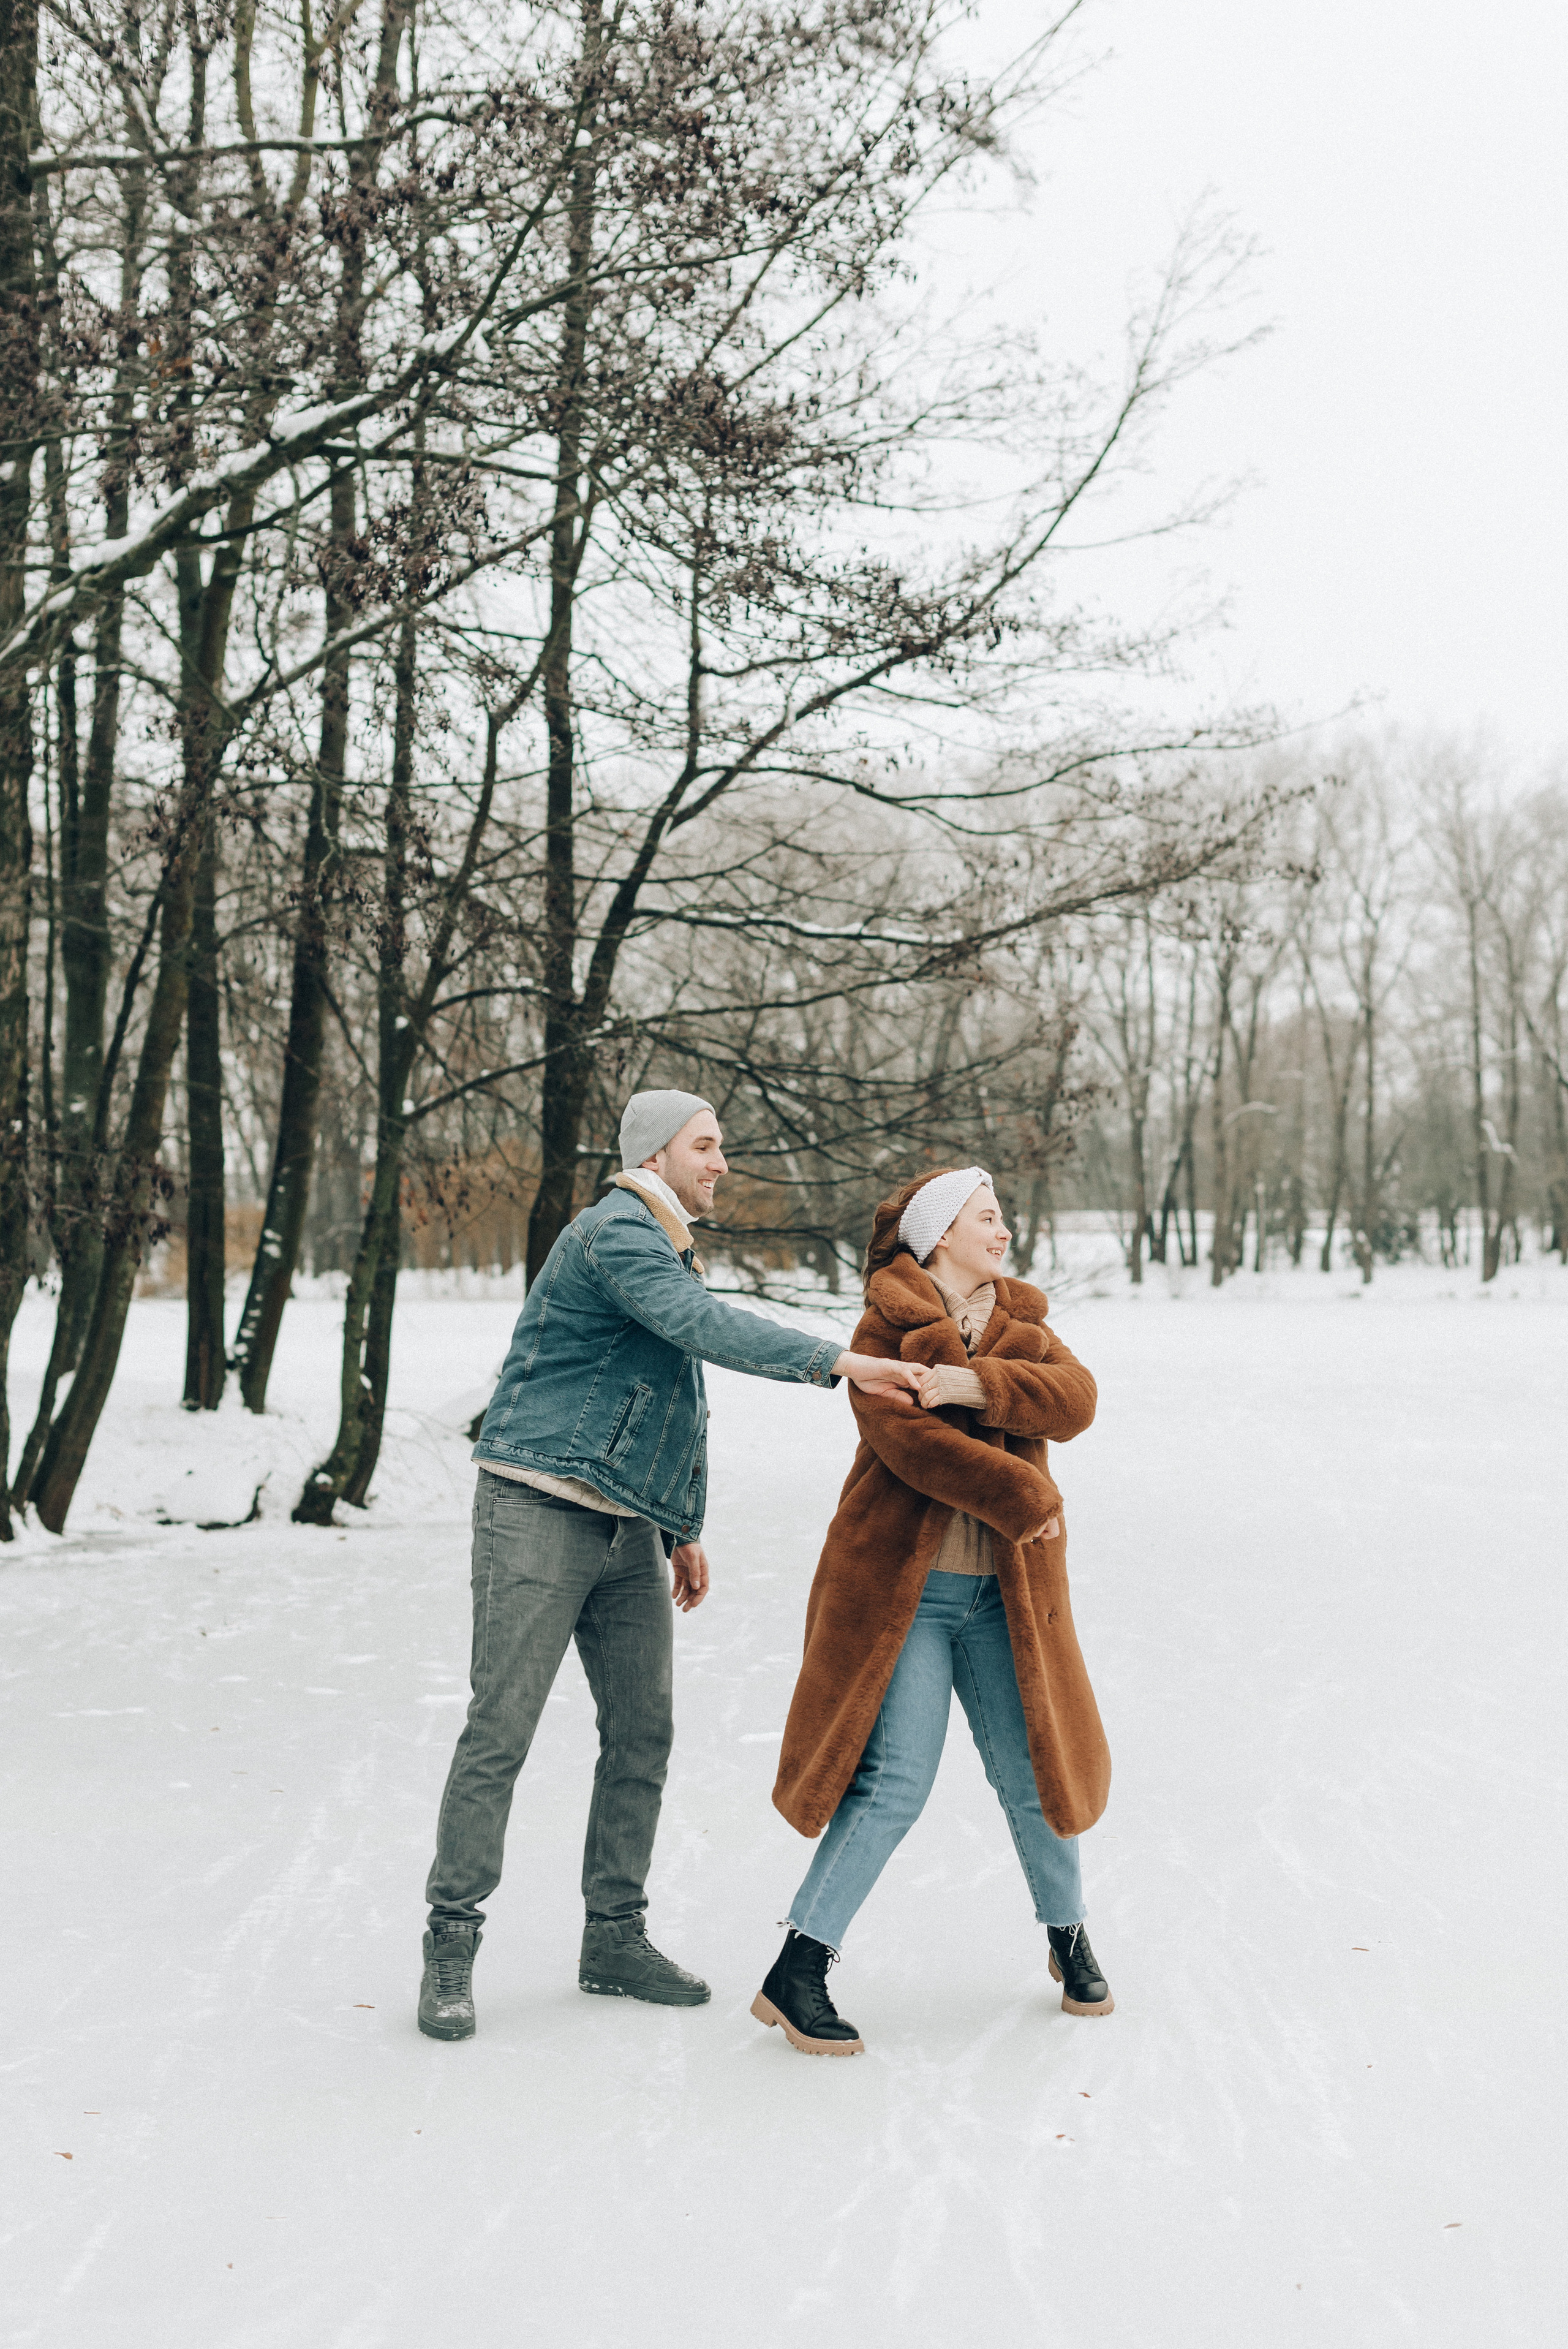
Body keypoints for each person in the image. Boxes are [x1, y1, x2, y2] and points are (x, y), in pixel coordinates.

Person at [420, 1090, 923, 2041]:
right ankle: (451, 1937)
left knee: (642, 1732)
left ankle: (614, 1937)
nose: (721, 1162)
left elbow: (676, 1390)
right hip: (537, 1505)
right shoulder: (617, 1231)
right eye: (707, 1145)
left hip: (625, 1524)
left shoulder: (665, 1243)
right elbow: (703, 1328)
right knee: (502, 1728)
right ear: (656, 1155)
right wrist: (843, 1362)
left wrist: (679, 1522)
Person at [753, 1165, 1113, 2057]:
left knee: (1034, 1770)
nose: (1003, 1230)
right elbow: (908, 1444)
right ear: (941, 1231)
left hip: (1005, 1597)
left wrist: (974, 1386)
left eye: (1003, 1215)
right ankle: (798, 1968)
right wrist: (1024, 1495)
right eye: (987, 1216)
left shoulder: (1024, 1325)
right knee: (894, 1783)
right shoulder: (889, 1326)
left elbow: (1077, 1400)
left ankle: (1068, 1933)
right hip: (903, 1597)